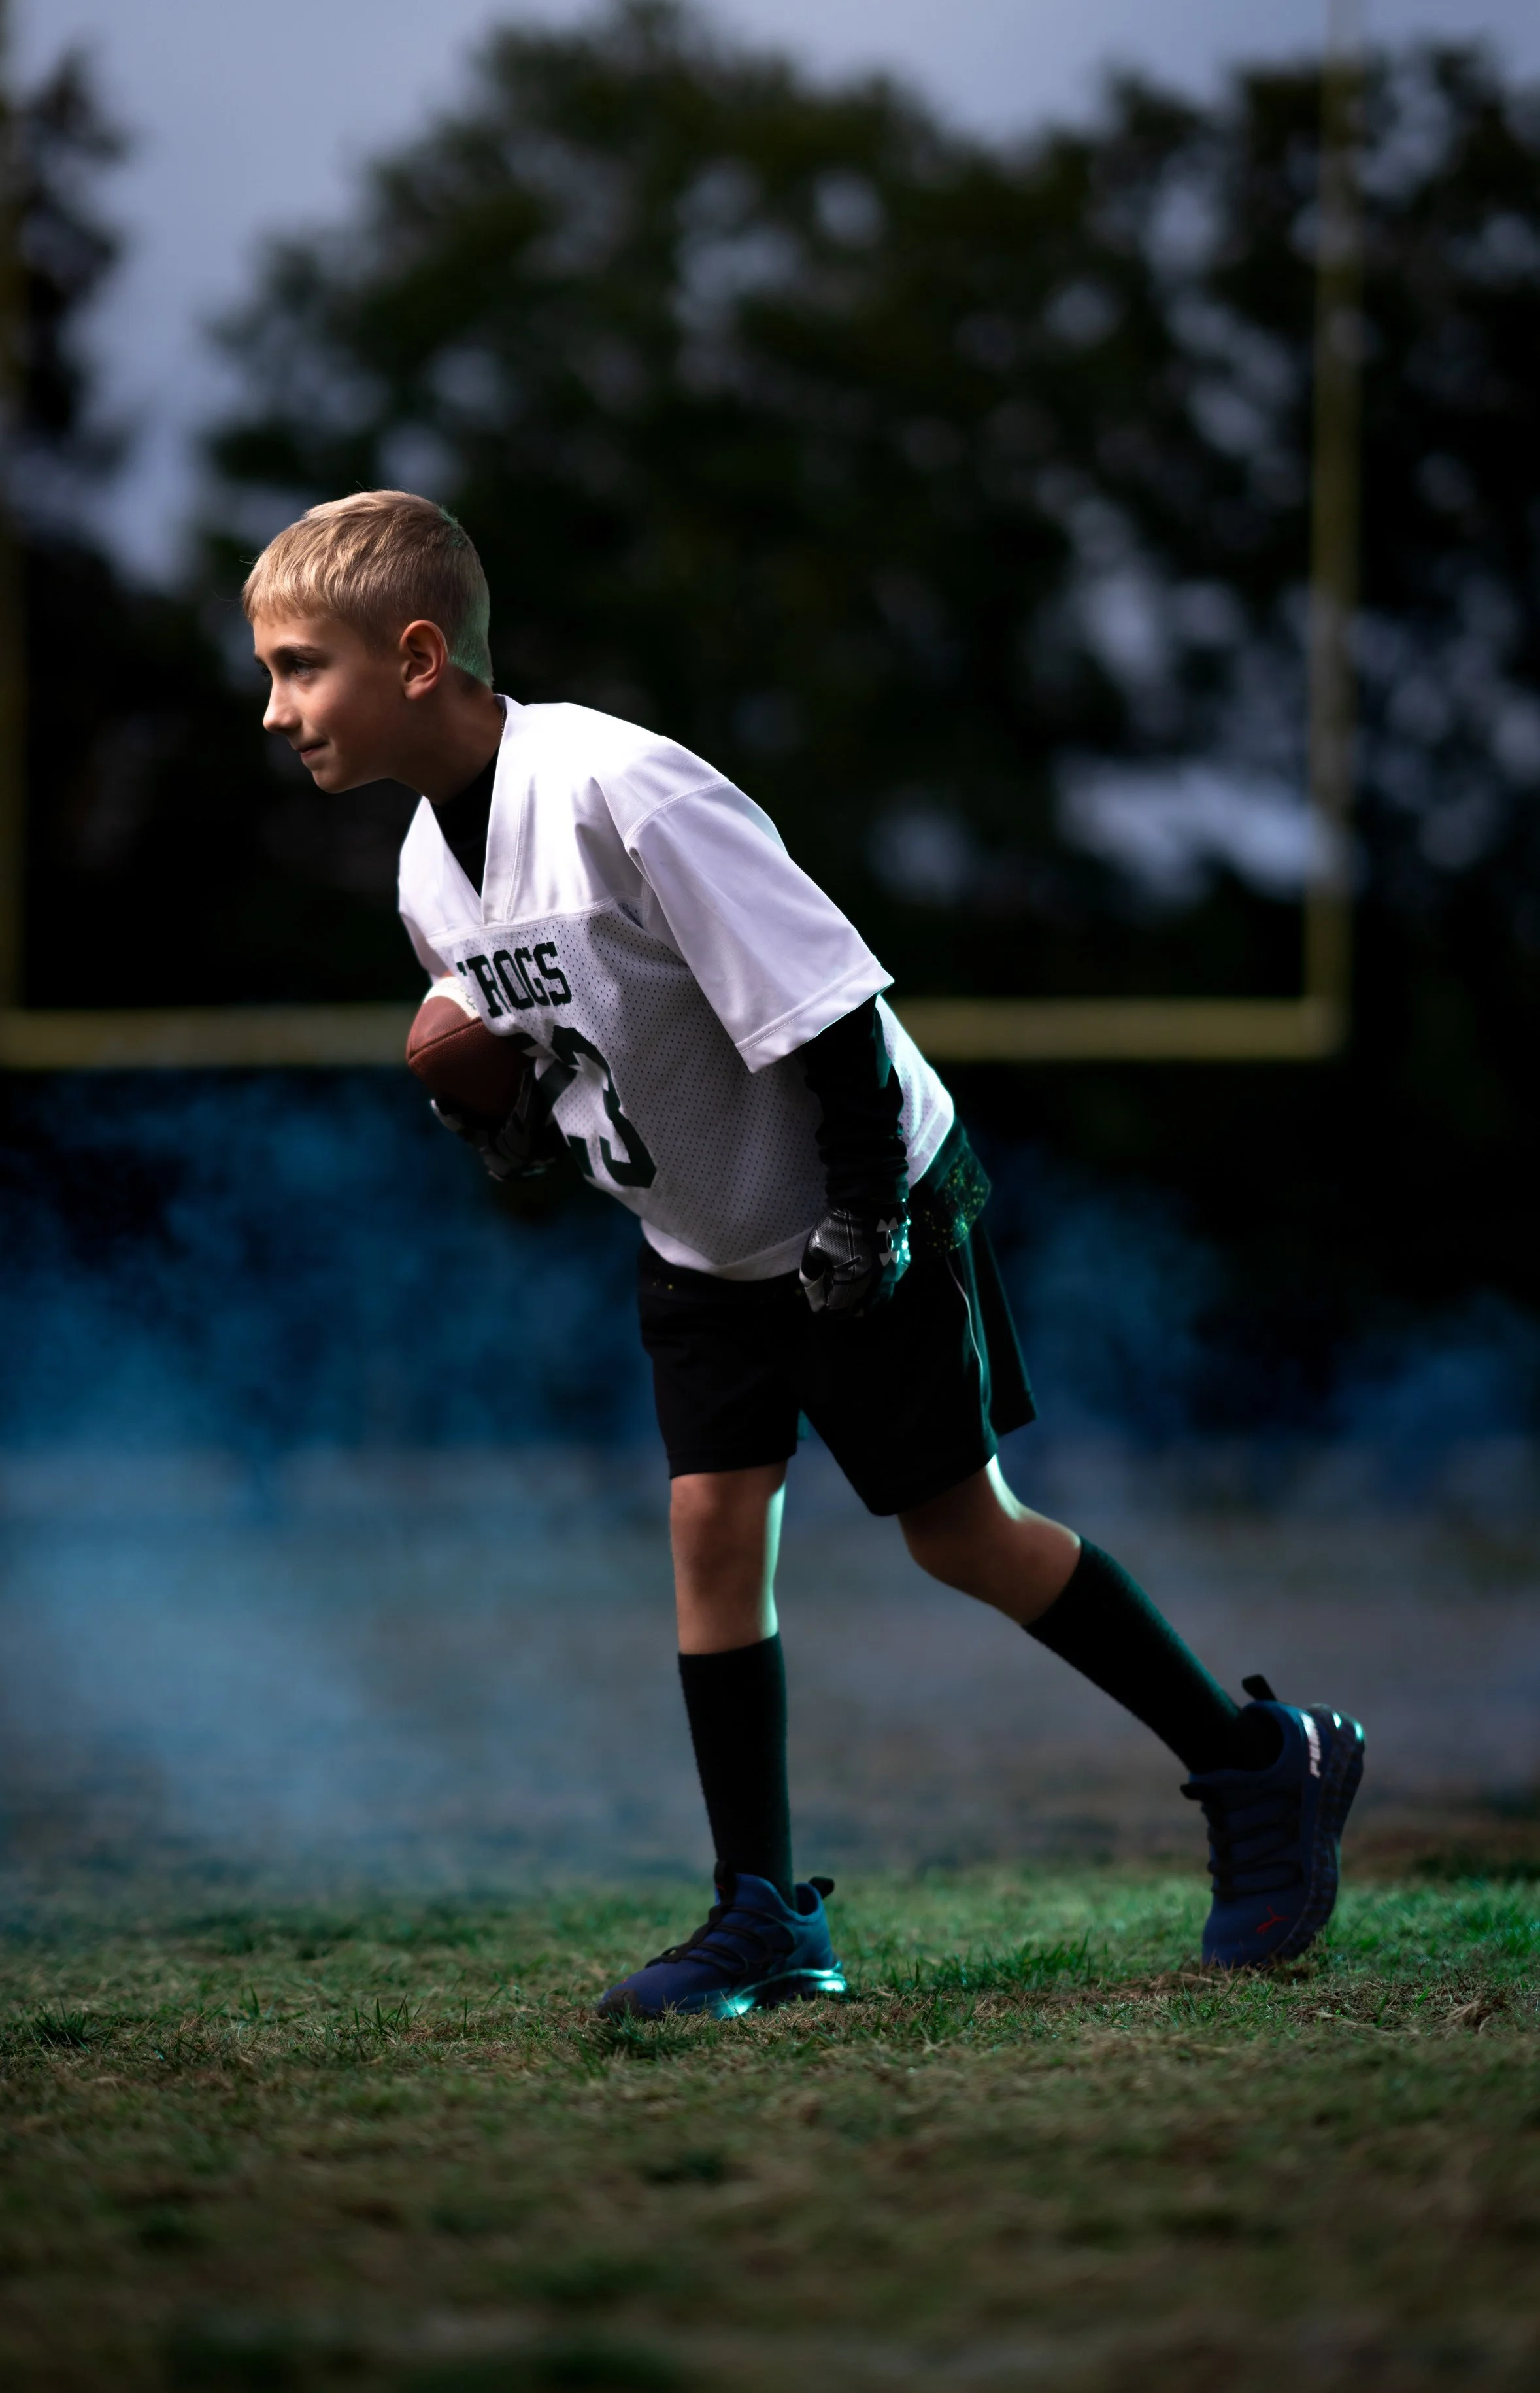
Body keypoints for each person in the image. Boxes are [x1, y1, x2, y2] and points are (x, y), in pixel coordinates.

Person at [244, 489, 1365, 2018]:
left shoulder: (618, 789)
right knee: (711, 1527)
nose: (276, 707)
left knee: (958, 1532)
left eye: (302, 665)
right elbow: (566, 1075)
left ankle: (1258, 1761)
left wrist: (865, 1210)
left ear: (419, 654)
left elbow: (823, 997)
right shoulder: (425, 879)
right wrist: (498, 1121)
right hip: (700, 1234)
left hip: (854, 1182)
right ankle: (762, 1915)